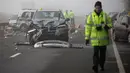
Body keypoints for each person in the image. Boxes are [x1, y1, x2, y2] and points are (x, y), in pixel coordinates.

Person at [85, 1, 112, 73]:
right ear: (95, 7)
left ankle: (102, 65)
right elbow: (88, 27)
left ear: (101, 7)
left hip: (103, 40)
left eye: (99, 8)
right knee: (95, 54)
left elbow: (110, 24)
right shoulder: (90, 16)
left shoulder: (105, 15)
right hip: (95, 40)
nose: (97, 9)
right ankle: (95, 66)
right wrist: (87, 38)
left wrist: (106, 26)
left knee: (102, 55)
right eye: (96, 8)